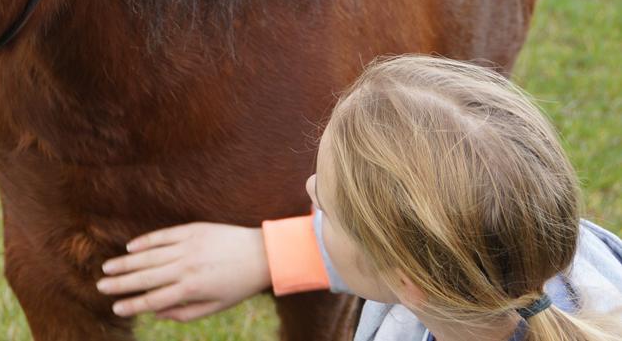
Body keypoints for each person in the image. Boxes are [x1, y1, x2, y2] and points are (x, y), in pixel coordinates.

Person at [96, 56, 622, 339]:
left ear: (409, 282)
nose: (309, 192)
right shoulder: (542, 251)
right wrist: (267, 255)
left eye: (327, 201)